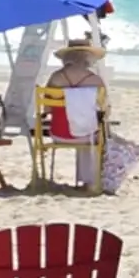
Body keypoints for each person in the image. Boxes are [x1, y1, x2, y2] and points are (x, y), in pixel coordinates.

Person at [44, 41, 108, 189]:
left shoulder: (55, 78)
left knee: (86, 129)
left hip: (58, 134)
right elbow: (104, 110)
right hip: (86, 137)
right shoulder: (95, 80)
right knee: (93, 132)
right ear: (88, 58)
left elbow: (47, 109)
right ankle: (89, 181)